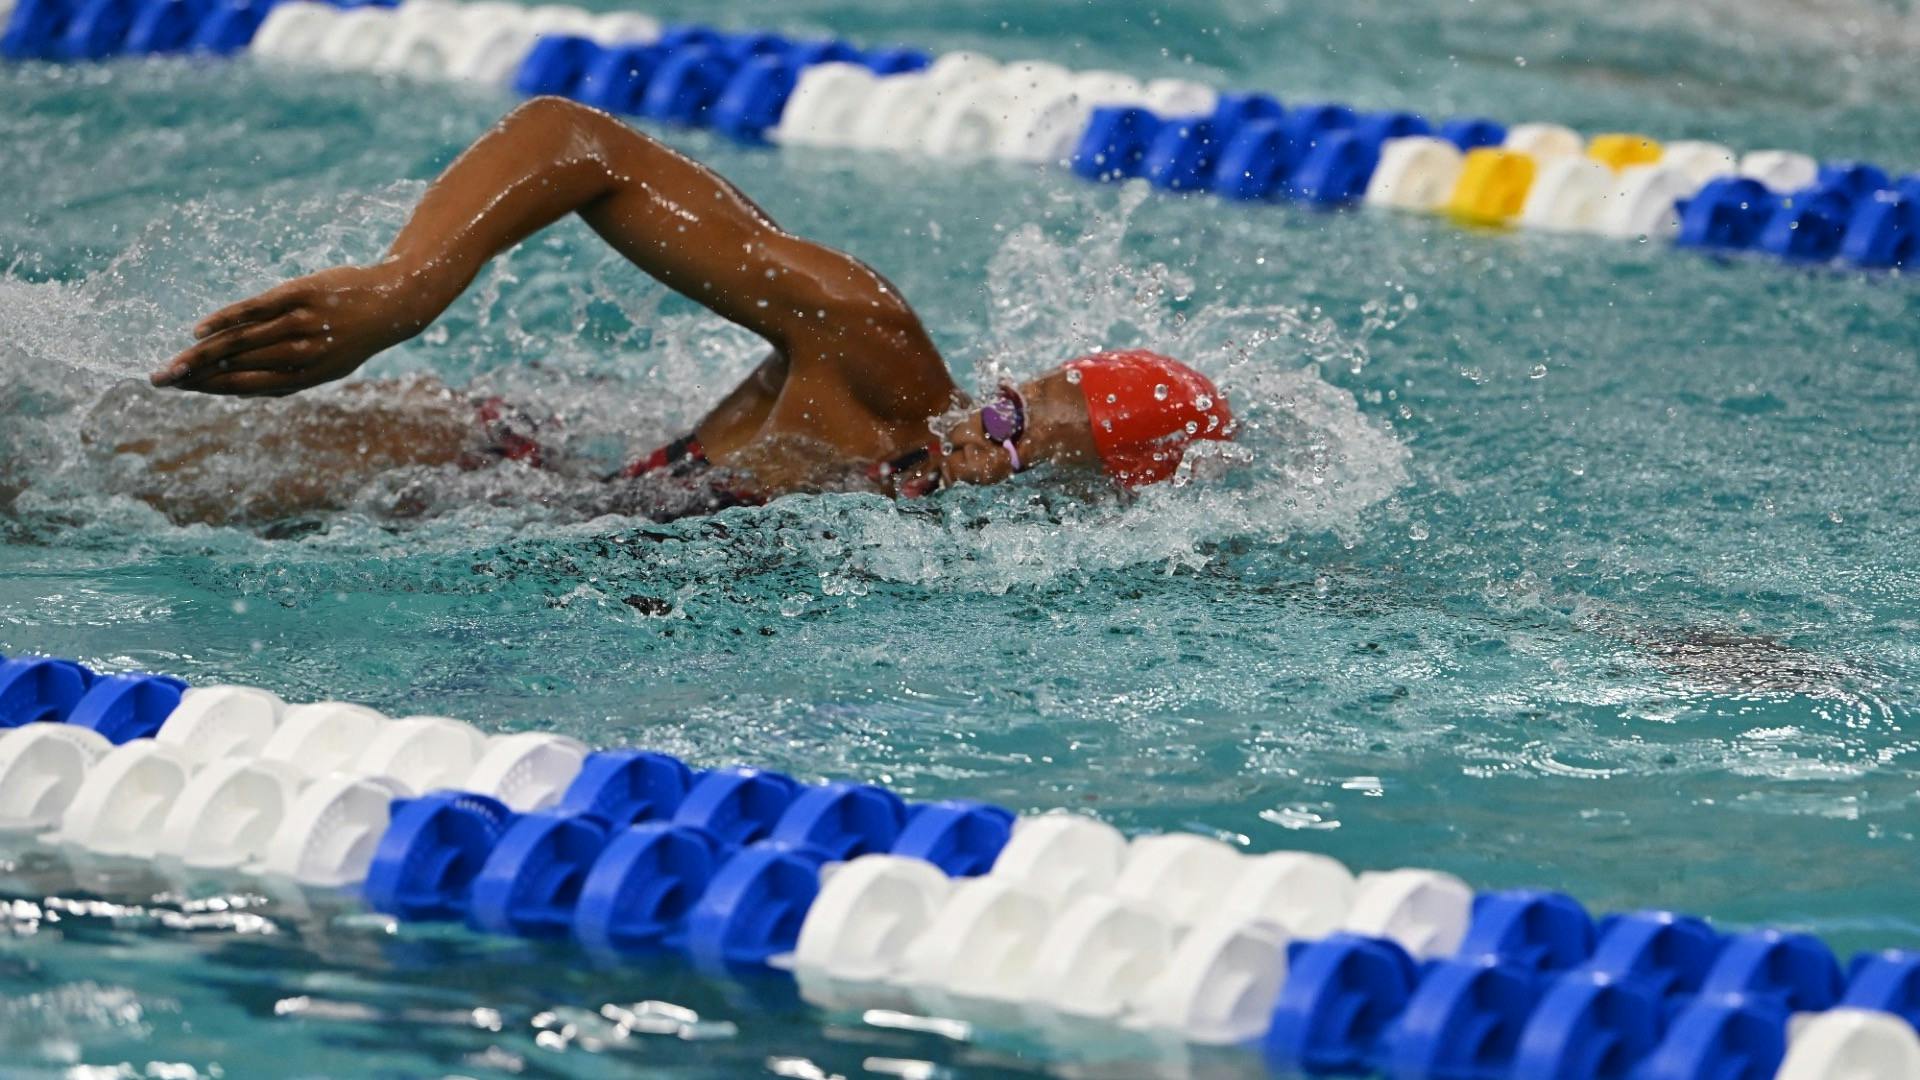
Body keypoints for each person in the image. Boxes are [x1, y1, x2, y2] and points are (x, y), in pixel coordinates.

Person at [145, 96, 1235, 520]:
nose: (974, 435)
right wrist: (407, 286)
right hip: (467, 459)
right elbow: (581, 144)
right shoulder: (877, 365)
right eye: (1004, 402)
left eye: (1018, 444)